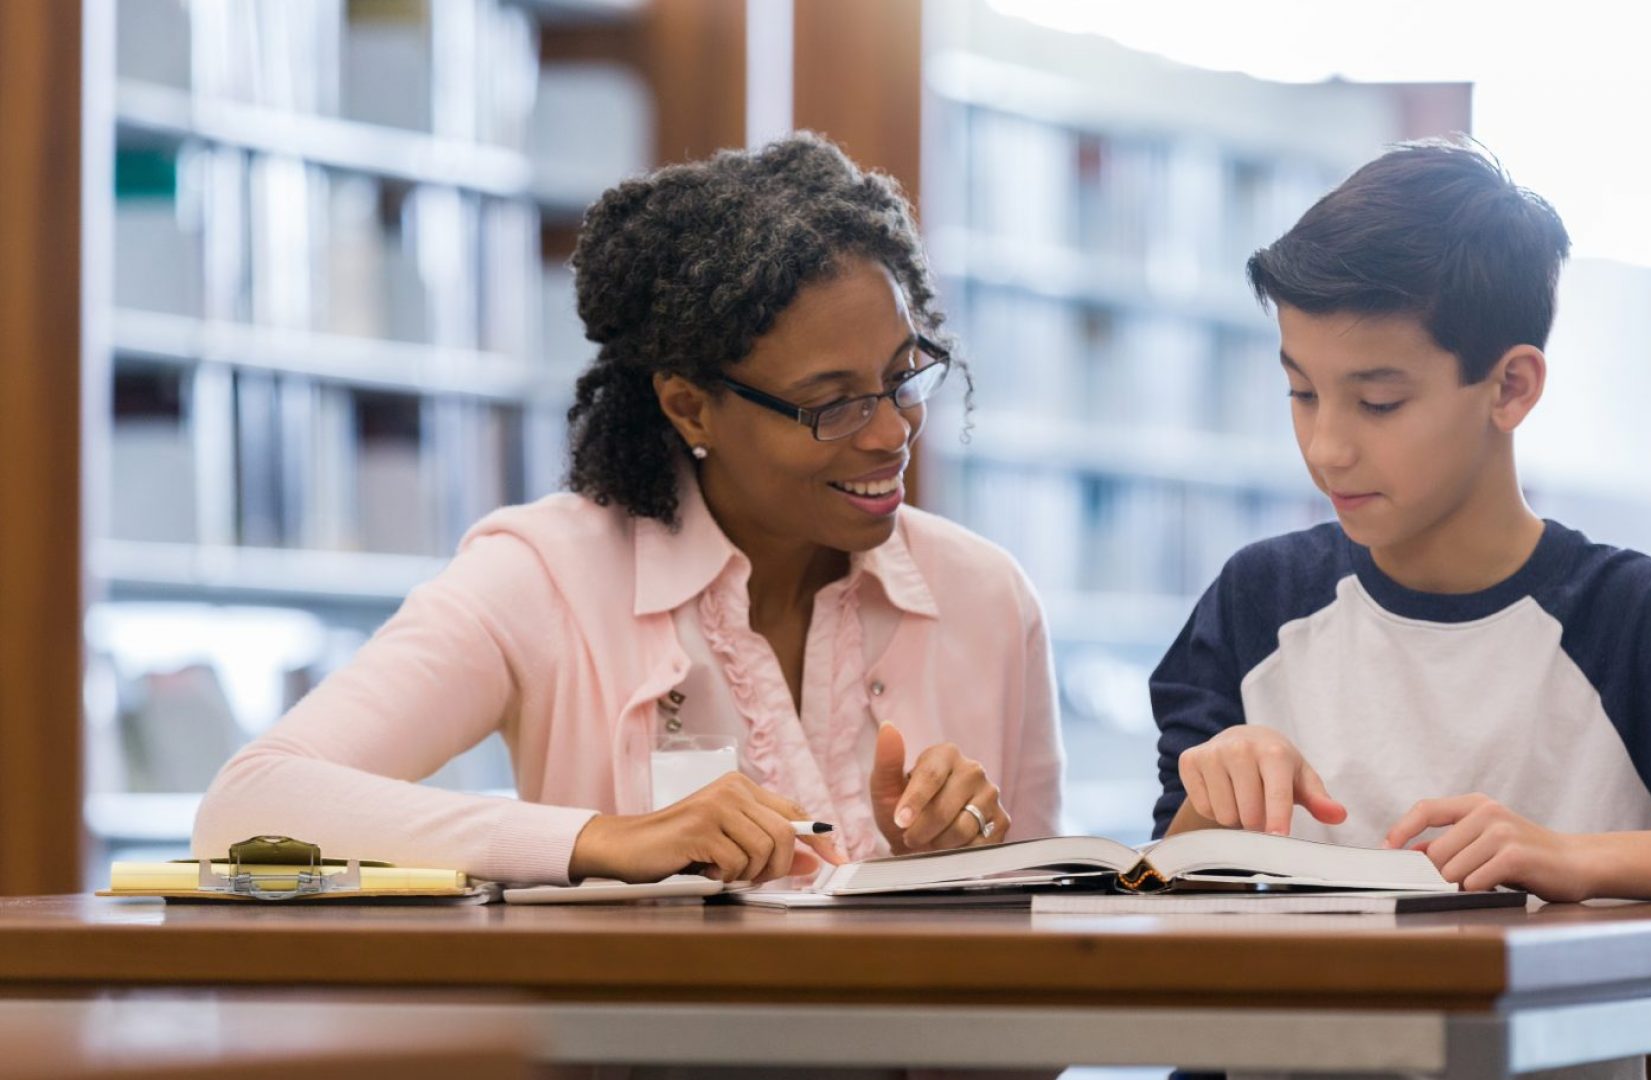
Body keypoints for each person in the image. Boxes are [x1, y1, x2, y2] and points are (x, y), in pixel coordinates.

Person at [194, 134, 1064, 887]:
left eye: (904, 377)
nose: (890, 432)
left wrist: (957, 874)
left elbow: (1049, 1010)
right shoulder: (545, 578)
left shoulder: (986, 597)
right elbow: (247, 807)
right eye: (830, 403)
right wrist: (597, 840)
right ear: (689, 407)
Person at [1150, 139, 1651, 906]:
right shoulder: (1257, 601)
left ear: (1510, 386)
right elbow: (1148, 899)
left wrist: (1576, 859)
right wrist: (1208, 805)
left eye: (1378, 403)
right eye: (1302, 393)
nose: (1327, 448)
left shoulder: (1630, 621)